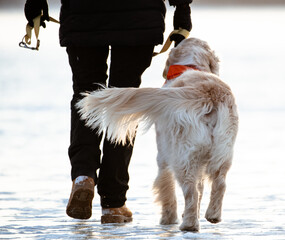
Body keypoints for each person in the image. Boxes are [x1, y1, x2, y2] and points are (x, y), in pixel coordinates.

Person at [24, 0, 193, 223]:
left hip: (83, 15)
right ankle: (113, 203)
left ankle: (83, 175)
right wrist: (182, 12)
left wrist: (35, 4)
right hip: (138, 16)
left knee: (86, 95)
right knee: (124, 101)